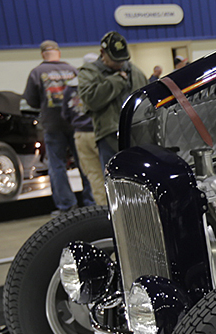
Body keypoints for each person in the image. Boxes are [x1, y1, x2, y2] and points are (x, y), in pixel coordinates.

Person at [23, 40, 93, 213]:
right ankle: (91, 202)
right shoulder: (72, 70)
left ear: (42, 54)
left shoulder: (37, 72)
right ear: (58, 52)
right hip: (75, 123)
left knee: (57, 165)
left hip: (53, 124)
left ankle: (66, 205)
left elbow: (31, 101)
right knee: (84, 163)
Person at [77, 31, 148, 169]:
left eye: (122, 59)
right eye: (115, 60)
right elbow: (91, 100)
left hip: (139, 133)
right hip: (109, 136)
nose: (120, 64)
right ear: (102, 53)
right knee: (116, 179)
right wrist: (117, 81)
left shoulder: (135, 71)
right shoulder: (89, 72)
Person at [61, 60, 106, 207]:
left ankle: (103, 210)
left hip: (80, 135)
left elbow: (66, 114)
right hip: (101, 133)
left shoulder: (71, 86)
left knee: (93, 175)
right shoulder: (102, 83)